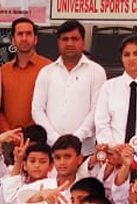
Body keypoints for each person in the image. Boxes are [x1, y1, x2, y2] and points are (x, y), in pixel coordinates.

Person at [31, 20, 106, 152]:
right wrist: (55, 139)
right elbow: (37, 110)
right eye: (65, 39)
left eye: (74, 39)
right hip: (52, 148)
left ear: (83, 42)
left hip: (84, 150)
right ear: (58, 42)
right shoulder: (46, 72)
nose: (69, 43)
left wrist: (76, 138)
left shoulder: (97, 72)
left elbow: (97, 110)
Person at [94, 35, 137, 156]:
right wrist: (113, 148)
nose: (131, 58)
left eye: (136, 54)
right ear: (121, 58)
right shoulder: (108, 87)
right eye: (126, 54)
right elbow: (102, 123)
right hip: (113, 155)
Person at [0, 18, 50, 132]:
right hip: (8, 137)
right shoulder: (3, 71)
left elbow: (51, 106)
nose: (24, 38)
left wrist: (29, 133)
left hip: (39, 137)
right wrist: (8, 132)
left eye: (28, 34)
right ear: (13, 40)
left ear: (35, 39)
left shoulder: (48, 68)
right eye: (20, 34)